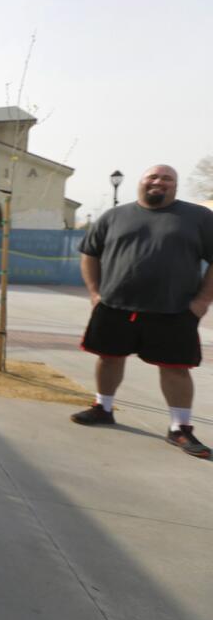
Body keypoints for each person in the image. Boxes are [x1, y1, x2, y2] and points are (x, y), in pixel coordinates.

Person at [71, 164, 213, 458]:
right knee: (108, 359)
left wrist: (202, 301)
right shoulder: (114, 216)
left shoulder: (199, 217)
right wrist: (95, 293)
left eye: (167, 178)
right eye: (153, 176)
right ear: (142, 181)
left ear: (175, 185)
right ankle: (103, 408)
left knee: (176, 369)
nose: (159, 182)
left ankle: (180, 429)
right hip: (114, 306)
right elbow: (90, 253)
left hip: (173, 310)